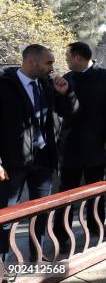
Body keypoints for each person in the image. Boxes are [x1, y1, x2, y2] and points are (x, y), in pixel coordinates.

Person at [0, 44, 78, 262]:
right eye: (49, 63)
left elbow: (71, 112)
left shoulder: (48, 85)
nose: (52, 68)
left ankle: (37, 256)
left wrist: (66, 93)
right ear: (31, 62)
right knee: (6, 215)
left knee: (41, 211)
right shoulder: (4, 84)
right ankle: (2, 263)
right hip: (12, 162)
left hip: (44, 158)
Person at [55, 42, 106, 251]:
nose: (66, 60)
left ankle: (96, 227)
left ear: (78, 57)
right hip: (72, 145)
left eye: (68, 56)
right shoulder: (67, 79)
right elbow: (62, 111)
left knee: (96, 189)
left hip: (97, 143)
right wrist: (64, 94)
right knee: (66, 191)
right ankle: (61, 233)